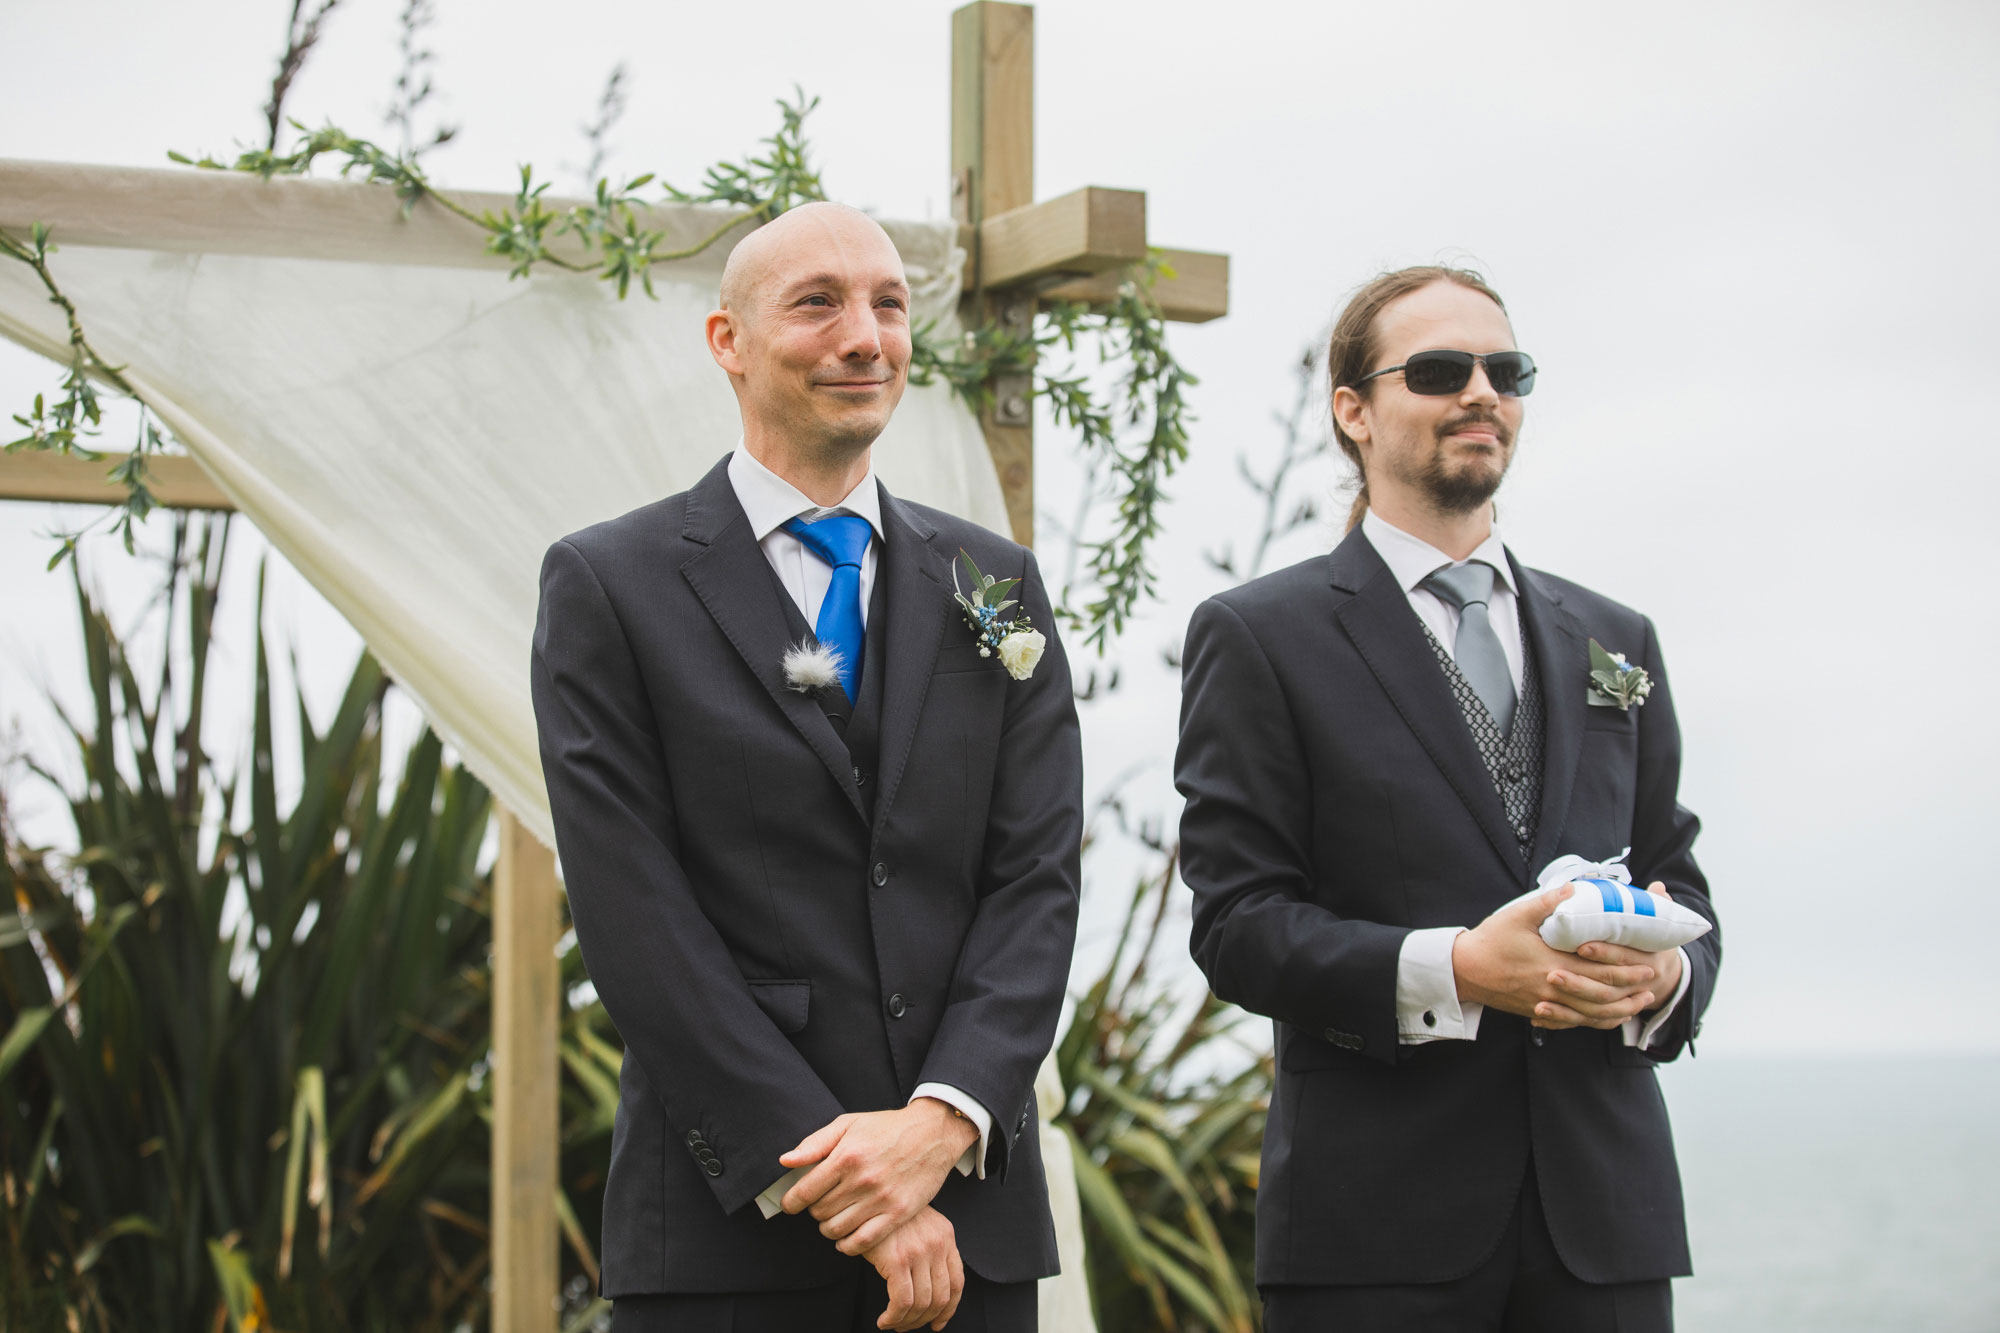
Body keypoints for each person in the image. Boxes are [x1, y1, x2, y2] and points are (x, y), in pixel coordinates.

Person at [532, 202, 1080, 1333]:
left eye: (888, 303)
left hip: (970, 1225)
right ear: (727, 341)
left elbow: (1036, 881)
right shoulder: (610, 585)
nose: (866, 336)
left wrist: (938, 1126)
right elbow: (636, 920)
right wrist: (856, 1192)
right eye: (818, 303)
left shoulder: (995, 582)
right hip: (732, 1233)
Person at [1175, 265, 1720, 1331]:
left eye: (1503, 370)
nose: (1481, 391)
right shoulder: (1259, 637)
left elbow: (1680, 881)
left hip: (1603, 1229)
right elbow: (1237, 926)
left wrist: (1663, 975)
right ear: (1352, 411)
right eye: (1437, 370)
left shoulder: (1616, 639)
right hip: (1373, 1235)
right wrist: (1458, 969)